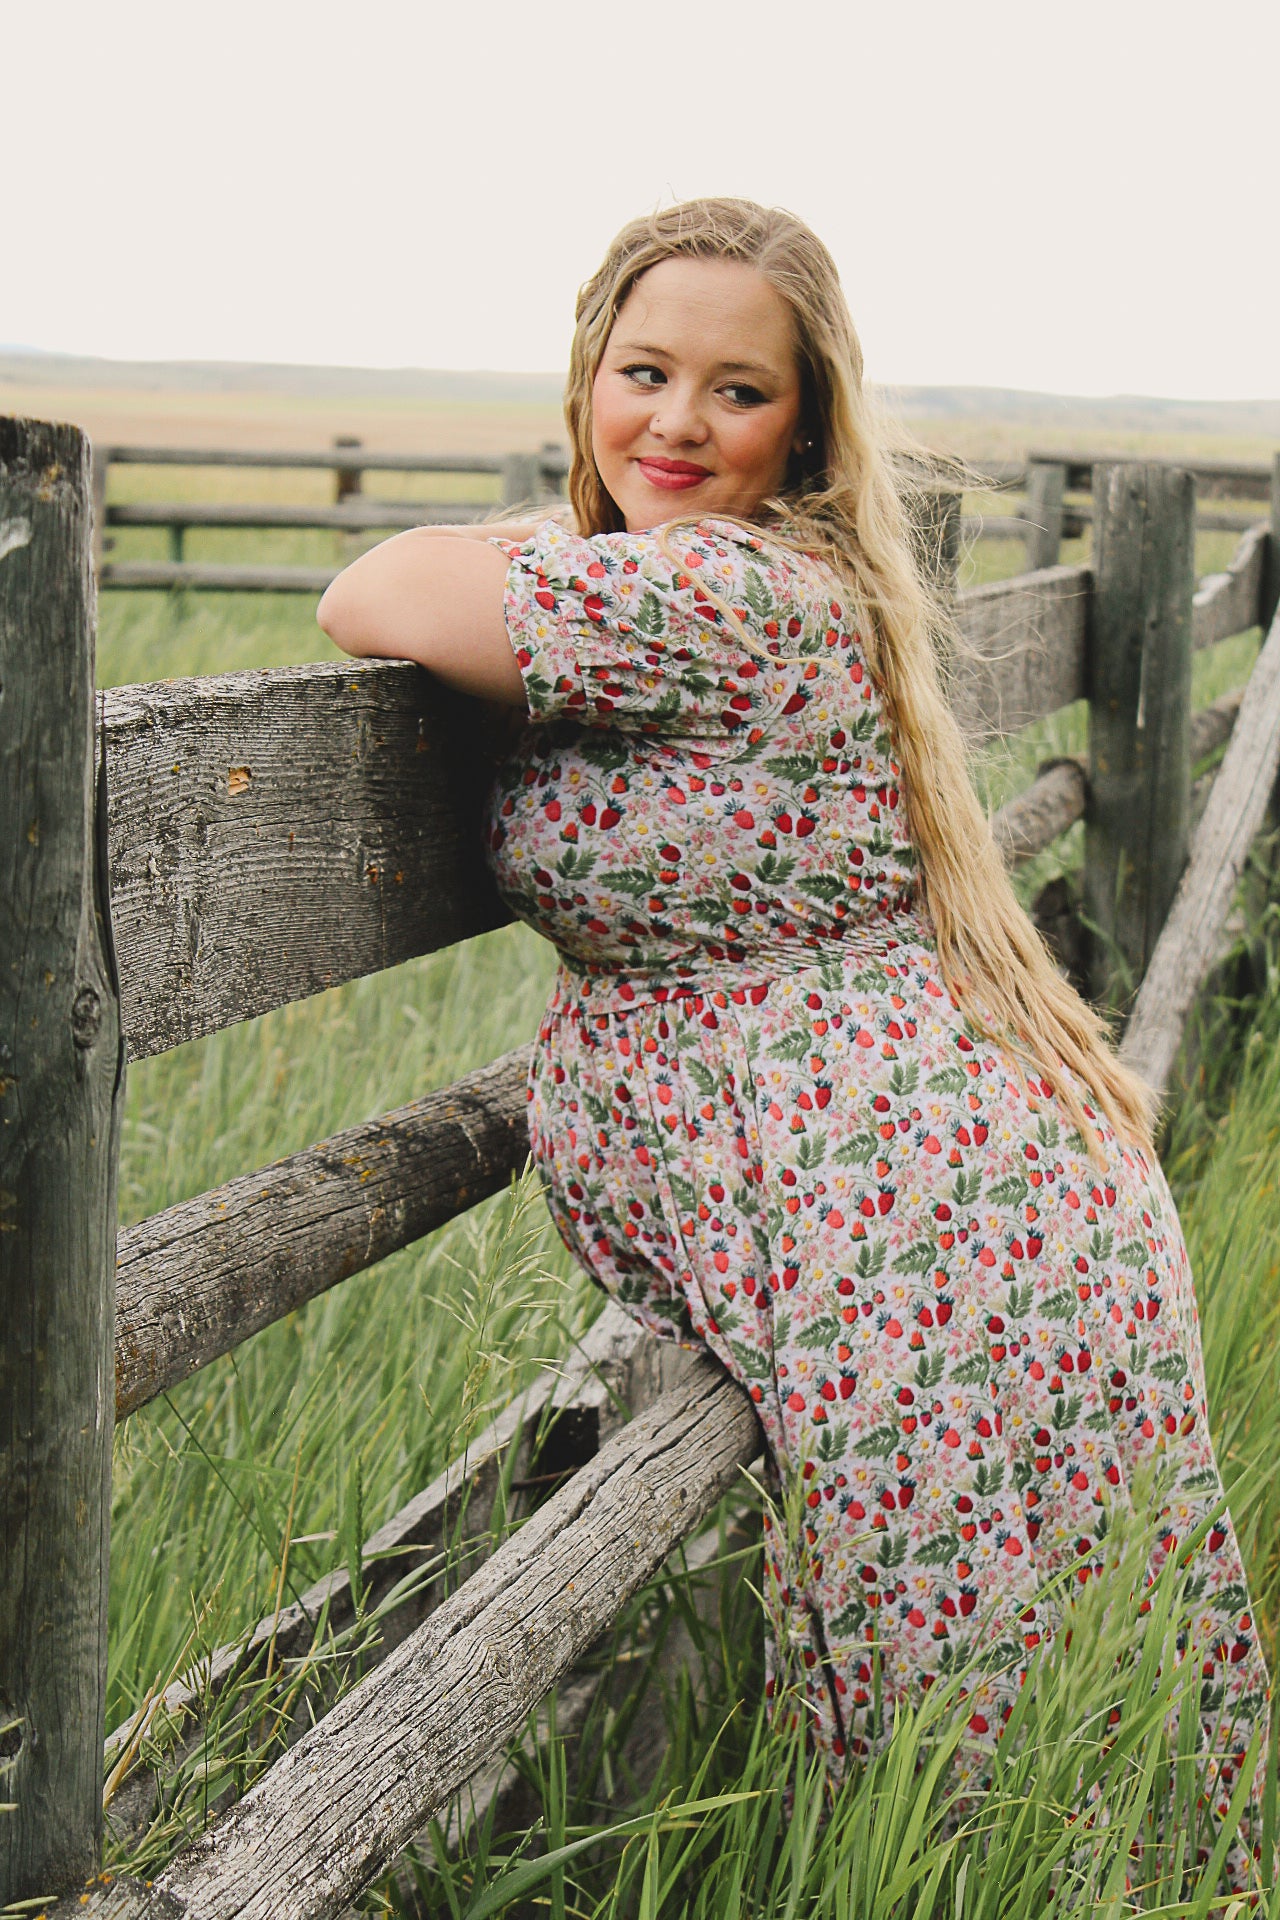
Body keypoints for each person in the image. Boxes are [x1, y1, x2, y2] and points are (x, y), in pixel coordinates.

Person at [318, 197, 1269, 1885]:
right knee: (1019, 1666)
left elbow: (372, 591)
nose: (678, 423)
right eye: (644, 373)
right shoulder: (742, 576)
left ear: (807, 425)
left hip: (917, 1230)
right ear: (587, 373)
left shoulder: (727, 588)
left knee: (958, 1698)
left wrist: (544, 537)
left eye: (738, 391)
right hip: (926, 1202)